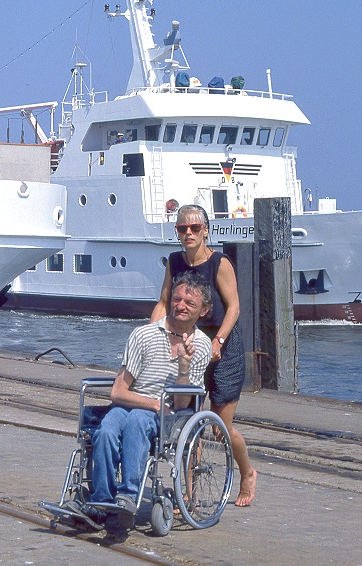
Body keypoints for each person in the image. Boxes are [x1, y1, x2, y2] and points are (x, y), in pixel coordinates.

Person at [78, 272, 214, 528]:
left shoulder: (203, 346)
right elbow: (117, 393)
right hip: (132, 404)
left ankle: (128, 495)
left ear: (204, 310)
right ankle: (101, 499)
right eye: (177, 299)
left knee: (138, 421)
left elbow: (183, 405)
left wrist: (184, 368)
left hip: (167, 416)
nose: (181, 306)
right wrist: (152, 403)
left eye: (189, 303)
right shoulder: (144, 335)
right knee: (106, 430)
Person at [150, 204, 257, 506]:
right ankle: (190, 491)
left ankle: (247, 472)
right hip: (189, 343)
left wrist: (218, 340)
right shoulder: (174, 261)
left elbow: (234, 307)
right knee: (189, 421)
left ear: (206, 230)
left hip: (223, 346)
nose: (188, 233)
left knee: (219, 430)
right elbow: (163, 301)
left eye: (194, 228)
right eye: (182, 229)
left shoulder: (219, 263)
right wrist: (150, 333)